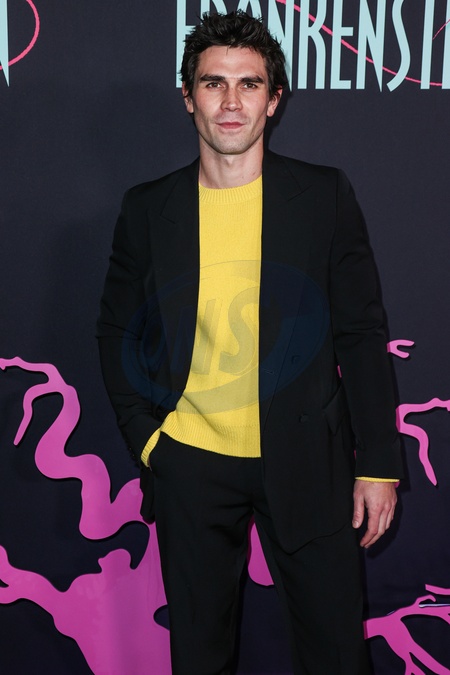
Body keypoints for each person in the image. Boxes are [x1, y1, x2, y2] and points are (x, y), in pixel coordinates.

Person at [97, 10, 403, 674]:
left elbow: (360, 332)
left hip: (308, 461)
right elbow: (117, 329)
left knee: (336, 655)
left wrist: (378, 463)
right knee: (199, 656)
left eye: (249, 83)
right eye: (214, 83)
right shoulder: (148, 208)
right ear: (188, 97)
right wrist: (150, 442)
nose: (231, 101)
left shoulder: (322, 195)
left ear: (274, 98)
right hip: (190, 464)